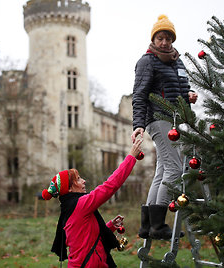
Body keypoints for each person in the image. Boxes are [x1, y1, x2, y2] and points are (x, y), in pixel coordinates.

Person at [131, 14, 198, 240]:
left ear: (172, 39)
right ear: (154, 38)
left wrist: (188, 96)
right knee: (175, 169)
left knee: (162, 171)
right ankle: (159, 226)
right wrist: (138, 125)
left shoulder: (177, 61)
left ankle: (148, 226)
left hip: (174, 120)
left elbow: (181, 88)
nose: (164, 42)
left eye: (168, 38)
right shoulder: (147, 61)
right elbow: (139, 95)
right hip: (158, 119)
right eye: (160, 37)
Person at [41, 138, 143, 267]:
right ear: (70, 188)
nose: (83, 181)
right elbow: (110, 186)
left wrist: (111, 226)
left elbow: (84, 236)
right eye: (78, 179)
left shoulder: (68, 208)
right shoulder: (80, 204)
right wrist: (131, 157)